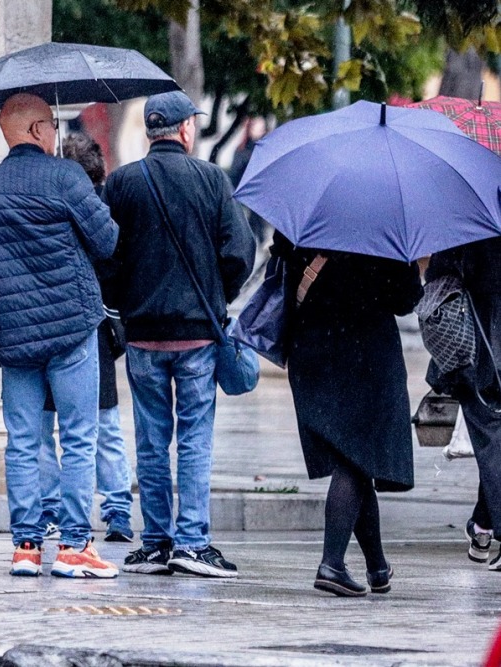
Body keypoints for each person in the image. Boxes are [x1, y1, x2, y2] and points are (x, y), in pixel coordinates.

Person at [103, 91, 254, 579]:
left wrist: (125, 303)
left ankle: (156, 542)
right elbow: (239, 252)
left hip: (143, 335)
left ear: (151, 130)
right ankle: (192, 542)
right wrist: (216, 295)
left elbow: (107, 254)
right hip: (196, 335)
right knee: (194, 438)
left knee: (150, 439)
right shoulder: (212, 179)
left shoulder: (122, 182)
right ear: (185, 130)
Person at [0, 93, 118, 578]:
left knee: (24, 441)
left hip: (13, 334)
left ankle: (26, 547)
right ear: (36, 130)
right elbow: (108, 240)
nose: (56, 132)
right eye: (51, 125)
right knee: (79, 436)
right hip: (72, 327)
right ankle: (75, 546)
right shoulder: (67, 177)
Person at [275, 235, 420, 596]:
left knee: (354, 456)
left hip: (312, 349)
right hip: (364, 354)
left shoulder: (302, 226)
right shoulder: (383, 232)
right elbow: (405, 299)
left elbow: (283, 275)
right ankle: (332, 564)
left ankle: (377, 566)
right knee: (357, 458)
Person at [38, 133, 133, 544]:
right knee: (102, 426)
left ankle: (53, 509)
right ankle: (117, 510)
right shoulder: (104, 212)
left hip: (54, 328)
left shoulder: (64, 208)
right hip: (94, 331)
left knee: (47, 428)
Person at [425, 238, 501, 568]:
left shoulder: (466, 220)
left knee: (492, 438)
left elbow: (440, 276)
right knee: (493, 441)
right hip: (484, 343)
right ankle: (482, 525)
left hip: (479, 347)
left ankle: (486, 525)